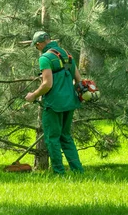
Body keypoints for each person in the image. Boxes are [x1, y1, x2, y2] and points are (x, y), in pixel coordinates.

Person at [24, 31, 84, 175]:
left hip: (54, 104)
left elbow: (47, 84)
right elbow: (78, 80)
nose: (37, 49)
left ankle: (59, 172)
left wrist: (33, 95)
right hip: (70, 102)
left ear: (39, 44)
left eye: (36, 46)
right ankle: (78, 171)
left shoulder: (45, 58)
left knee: (52, 138)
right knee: (66, 137)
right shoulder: (67, 54)